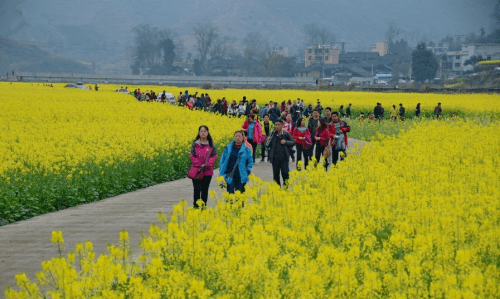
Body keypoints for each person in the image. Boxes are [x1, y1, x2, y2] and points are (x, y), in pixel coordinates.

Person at [189, 126, 218, 208]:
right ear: (199, 133)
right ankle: (196, 206)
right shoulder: (195, 144)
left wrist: (207, 164)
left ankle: (203, 206)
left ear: (208, 133)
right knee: (196, 189)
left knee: (204, 189)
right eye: (201, 131)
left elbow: (214, 156)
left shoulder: (211, 145)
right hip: (196, 170)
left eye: (205, 131)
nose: (203, 133)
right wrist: (199, 164)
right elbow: (192, 155)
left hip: (207, 171)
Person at [267, 120, 295, 187]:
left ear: (282, 125)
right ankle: (277, 190)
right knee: (276, 175)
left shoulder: (286, 134)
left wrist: (285, 142)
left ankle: (286, 188)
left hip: (284, 157)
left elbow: (293, 142)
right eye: (276, 125)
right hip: (275, 158)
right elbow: (266, 145)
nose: (277, 126)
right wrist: (268, 140)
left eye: (278, 125)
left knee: (285, 174)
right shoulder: (272, 134)